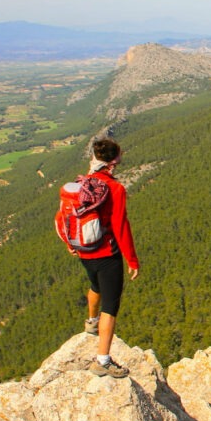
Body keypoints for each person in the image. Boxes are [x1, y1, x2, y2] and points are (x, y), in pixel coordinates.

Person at [70, 138, 139, 378]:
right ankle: (103, 360)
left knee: (94, 285)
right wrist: (132, 260)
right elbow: (121, 226)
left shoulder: (84, 182)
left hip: (84, 250)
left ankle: (91, 321)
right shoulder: (115, 188)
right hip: (107, 253)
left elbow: (64, 216)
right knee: (111, 306)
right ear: (114, 160)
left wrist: (72, 244)